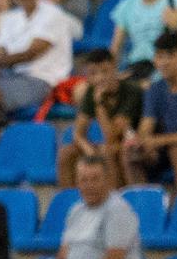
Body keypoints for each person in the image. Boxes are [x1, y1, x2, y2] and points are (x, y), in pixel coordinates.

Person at [16, 156, 143, 259]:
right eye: (84, 180)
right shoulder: (76, 210)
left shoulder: (118, 210)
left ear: (107, 179)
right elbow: (63, 253)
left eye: (95, 179)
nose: (89, 185)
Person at [123, 31, 177, 189]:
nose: (163, 63)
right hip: (164, 151)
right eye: (159, 56)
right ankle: (142, 206)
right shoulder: (155, 89)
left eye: (168, 56)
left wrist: (159, 140)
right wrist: (138, 141)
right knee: (130, 153)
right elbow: (145, 131)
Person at [57, 49, 141, 188]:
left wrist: (99, 104)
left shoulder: (131, 91)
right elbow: (78, 133)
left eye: (104, 71)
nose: (100, 78)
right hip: (110, 145)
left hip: (132, 145)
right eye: (93, 73)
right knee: (67, 153)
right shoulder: (92, 91)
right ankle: (68, 202)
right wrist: (89, 150)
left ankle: (113, 201)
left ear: (114, 67)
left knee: (109, 150)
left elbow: (112, 136)